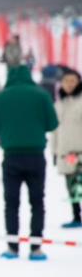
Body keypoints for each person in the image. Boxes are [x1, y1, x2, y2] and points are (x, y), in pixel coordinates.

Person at [0, 65, 59, 260]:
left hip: (11, 157)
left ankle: (12, 247)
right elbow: (53, 123)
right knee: (37, 202)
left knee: (11, 203)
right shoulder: (41, 95)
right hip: (36, 156)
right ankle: (36, 248)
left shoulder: (0, 97)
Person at [52, 68, 82, 228]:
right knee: (72, 187)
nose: (69, 84)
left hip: (80, 152)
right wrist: (54, 151)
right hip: (65, 153)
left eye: (73, 81)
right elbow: (54, 130)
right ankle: (76, 216)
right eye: (66, 81)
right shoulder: (59, 104)